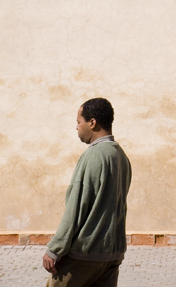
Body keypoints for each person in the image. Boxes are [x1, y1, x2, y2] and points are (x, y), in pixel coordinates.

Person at [43, 98, 132, 287]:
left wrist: (55, 249)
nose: (76, 127)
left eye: (78, 122)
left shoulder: (94, 155)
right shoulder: (120, 156)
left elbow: (76, 206)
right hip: (111, 254)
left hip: (85, 253)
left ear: (92, 123)